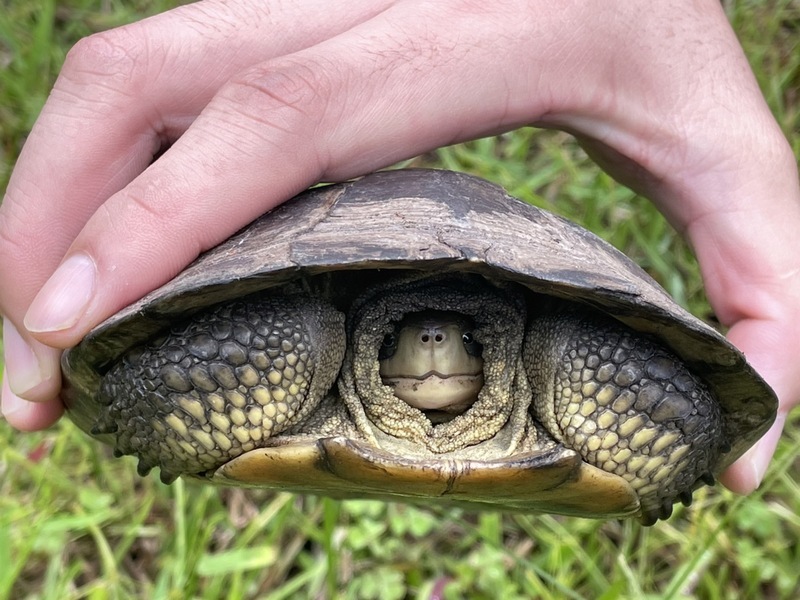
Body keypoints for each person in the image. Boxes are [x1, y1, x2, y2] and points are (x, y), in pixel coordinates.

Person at [1, 0, 798, 494]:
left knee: (571, 347)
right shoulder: (309, 344)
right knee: (306, 330)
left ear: (492, 348)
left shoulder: (554, 353)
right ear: (376, 339)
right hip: (312, 345)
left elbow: (680, 412)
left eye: (450, 336)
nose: (434, 345)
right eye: (419, 334)